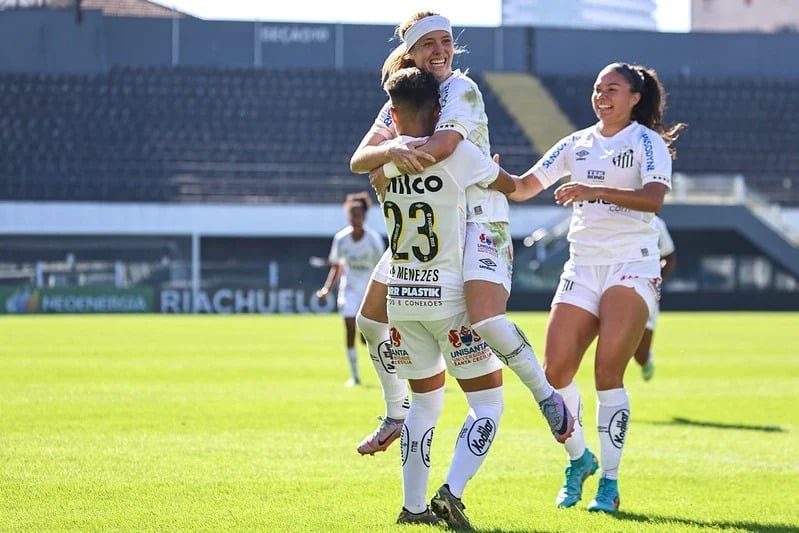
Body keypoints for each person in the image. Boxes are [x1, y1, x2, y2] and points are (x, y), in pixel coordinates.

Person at [350, 11, 573, 457]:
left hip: (477, 216)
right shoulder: (401, 96)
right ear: (410, 52)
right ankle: (396, 412)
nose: (440, 50)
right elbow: (358, 159)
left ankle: (547, 395)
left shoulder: (461, 89)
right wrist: (388, 150)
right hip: (427, 220)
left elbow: (443, 148)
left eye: (445, 41)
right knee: (370, 321)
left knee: (487, 319)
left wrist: (387, 164)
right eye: (428, 43)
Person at [508, 62, 686, 513]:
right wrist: (487, 175)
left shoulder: (648, 143)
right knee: (554, 375)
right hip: (582, 266)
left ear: (634, 98)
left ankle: (609, 481)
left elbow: (653, 199)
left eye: (612, 89)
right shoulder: (576, 142)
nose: (601, 96)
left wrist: (594, 191)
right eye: (596, 88)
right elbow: (525, 185)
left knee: (608, 374)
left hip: (632, 265)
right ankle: (579, 459)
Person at [379, 66, 516, 528]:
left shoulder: (383, 166)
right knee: (488, 404)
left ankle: (412, 508)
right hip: (450, 300)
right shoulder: (459, 157)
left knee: (422, 404)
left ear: (393, 116)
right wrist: (493, 166)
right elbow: (512, 188)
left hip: (402, 299)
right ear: (439, 112)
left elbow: (371, 169)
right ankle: (451, 493)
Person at [316, 192, 385, 386]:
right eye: (351, 213)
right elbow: (337, 265)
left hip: (369, 290)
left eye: (357, 212)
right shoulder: (341, 239)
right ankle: (355, 376)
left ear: (364, 215)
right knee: (348, 327)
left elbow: (382, 268)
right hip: (349, 289)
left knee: (367, 337)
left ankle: (385, 373)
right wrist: (326, 289)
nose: (354, 216)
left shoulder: (373, 240)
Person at [633, 214, 677, 381]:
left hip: (644, 291)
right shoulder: (608, 216)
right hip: (610, 286)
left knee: (640, 355)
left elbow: (670, 257)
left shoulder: (656, 223)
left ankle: (646, 361)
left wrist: (656, 283)